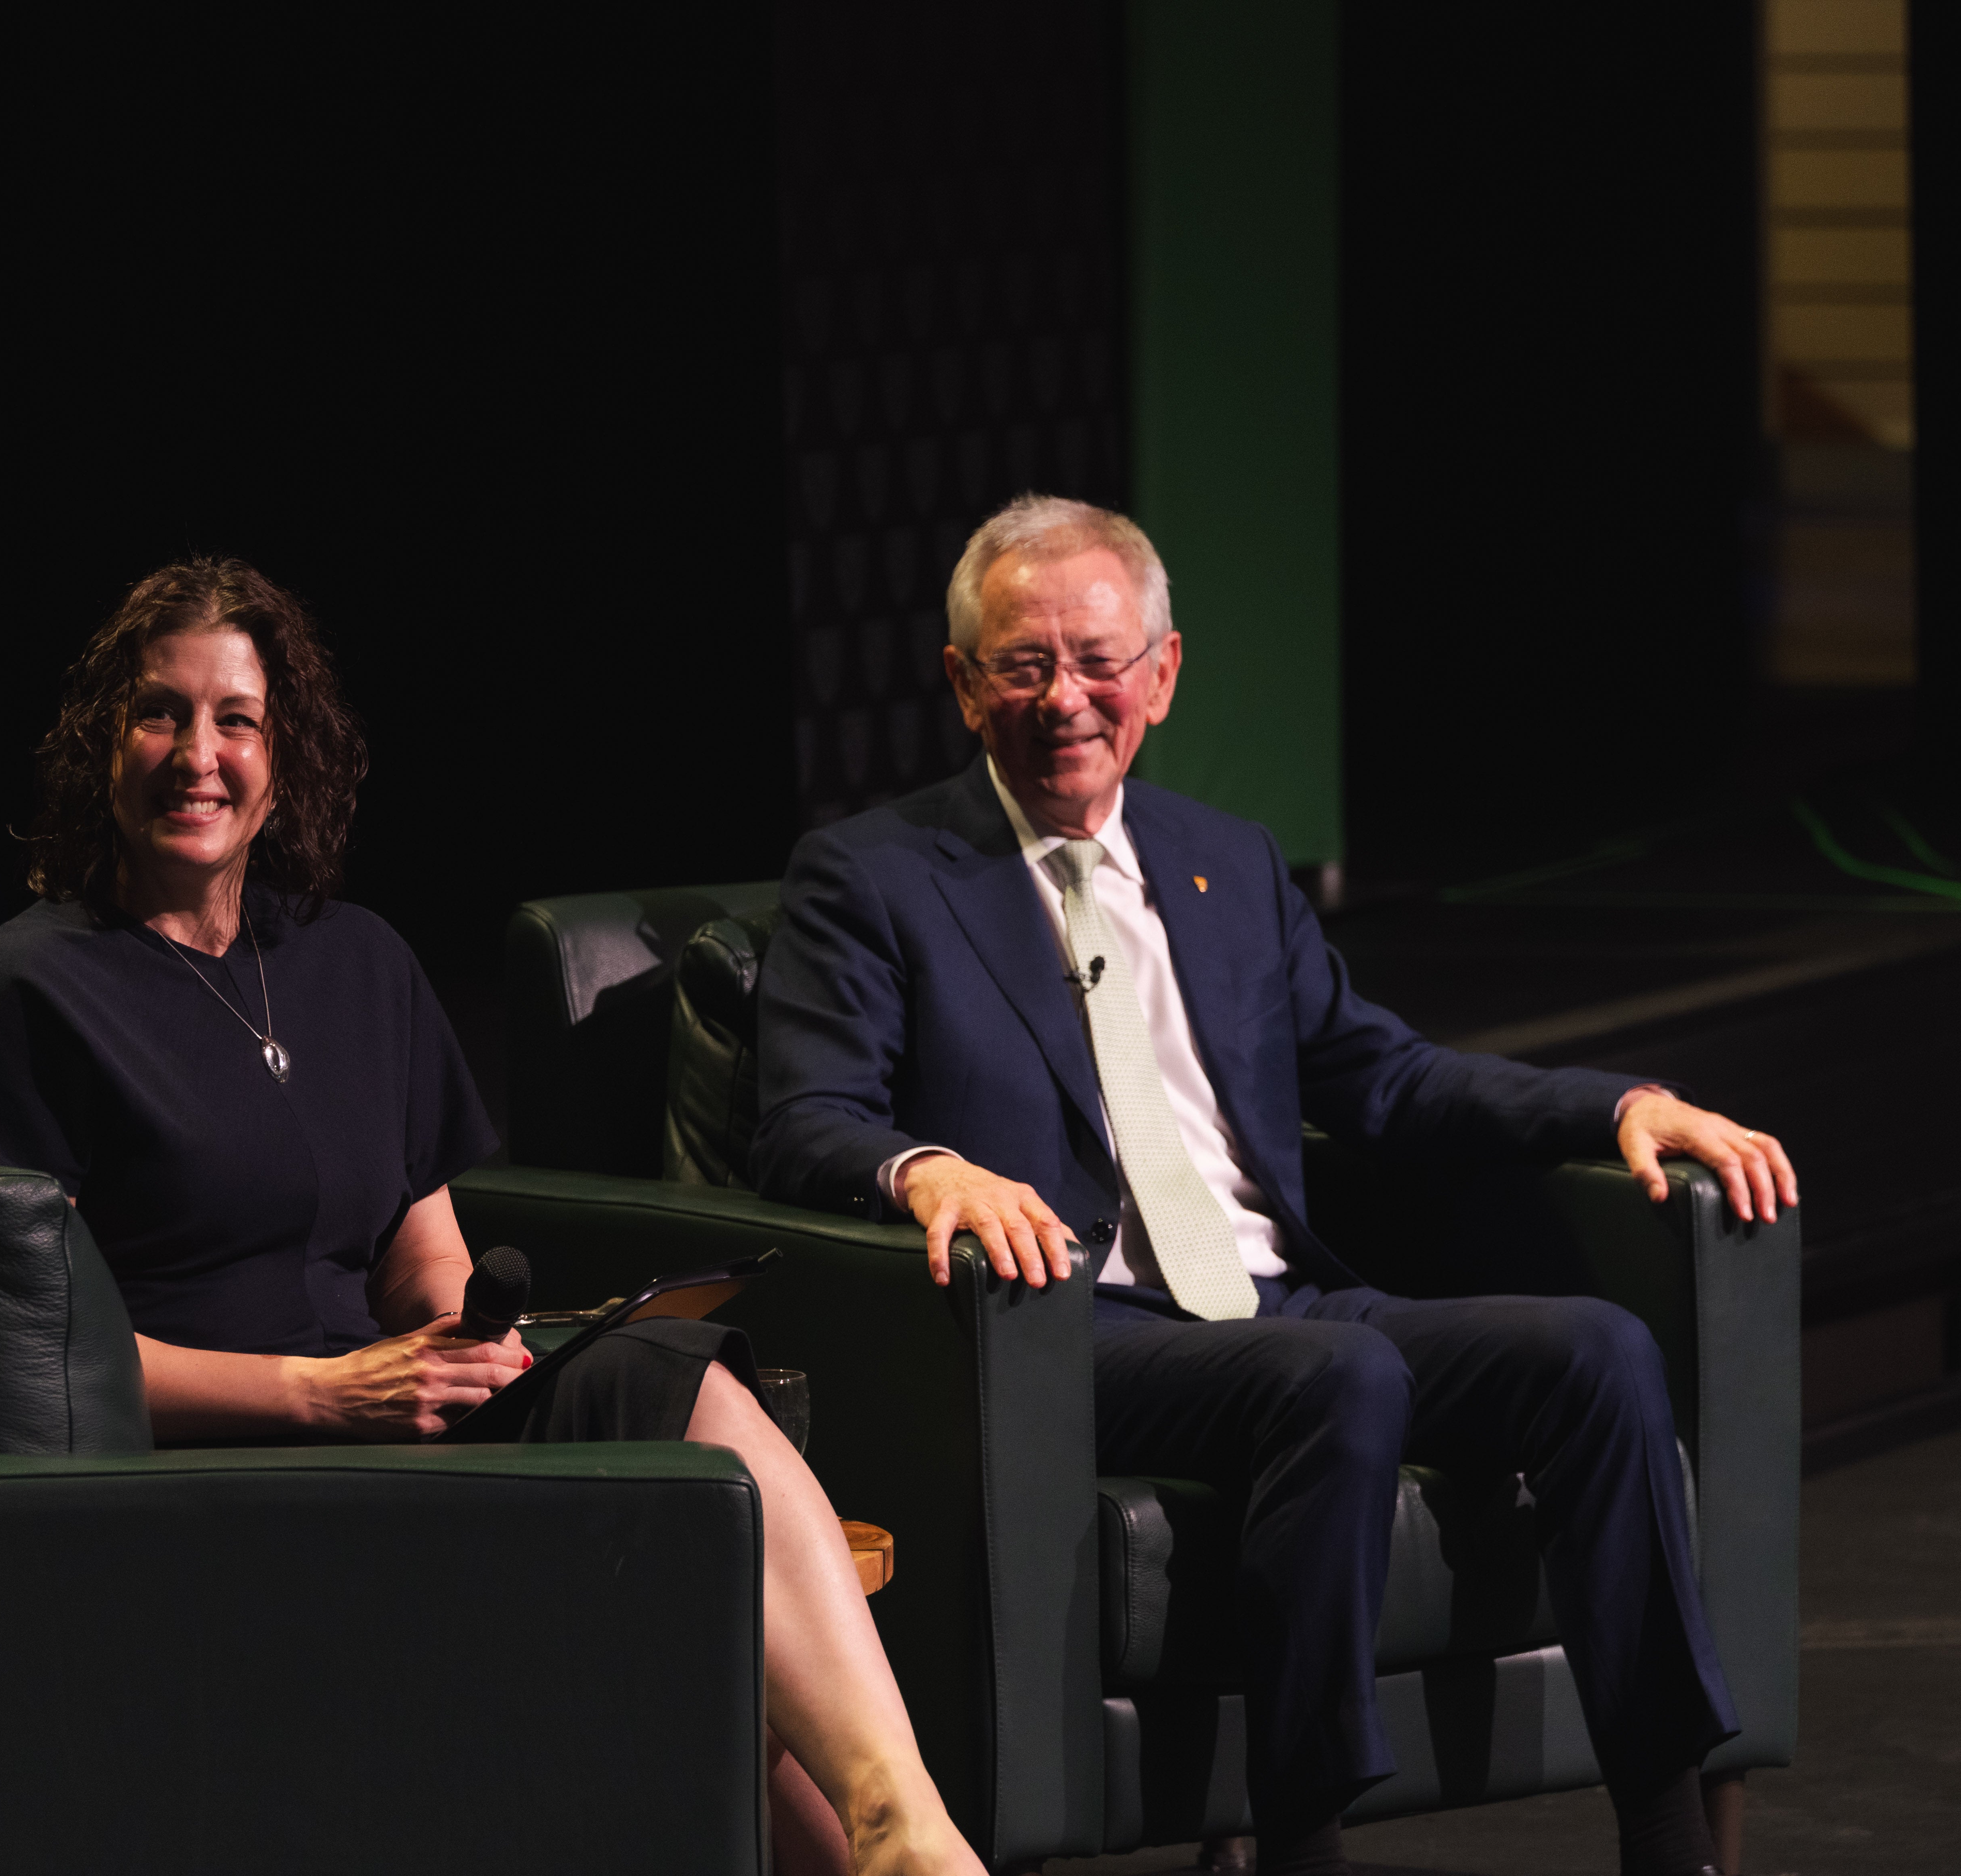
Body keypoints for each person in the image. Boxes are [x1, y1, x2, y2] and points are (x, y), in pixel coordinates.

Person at [751, 495, 1795, 1876]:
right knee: (1332, 1378)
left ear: (1162, 675)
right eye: (1024, 664)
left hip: (1277, 1295)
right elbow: (806, 1121)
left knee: (1595, 1353)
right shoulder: (874, 878)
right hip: (1073, 1328)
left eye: (1099, 661)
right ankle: (1298, 1840)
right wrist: (929, 1168)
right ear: (963, 684)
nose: (1066, 697)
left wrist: (1623, 1105)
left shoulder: (1225, 864)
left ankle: (1671, 1836)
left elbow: (1388, 1080)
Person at [0, 556, 984, 1876]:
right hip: (209, 1482)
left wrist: (471, 1349)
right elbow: (42, 1377)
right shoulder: (25, 996)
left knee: (674, 1393)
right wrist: (321, 1395)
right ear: (99, 747)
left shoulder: (354, 962)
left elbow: (427, 1263)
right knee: (671, 1569)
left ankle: (903, 1827)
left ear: (284, 757)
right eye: (158, 714)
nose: (198, 754)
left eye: (236, 720)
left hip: (394, 1427)